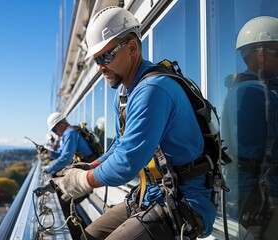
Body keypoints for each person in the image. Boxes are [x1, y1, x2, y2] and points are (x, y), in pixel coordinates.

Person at [51, 6, 215, 240]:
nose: (100, 67)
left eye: (106, 56)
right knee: (87, 235)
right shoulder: (126, 94)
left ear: (132, 48)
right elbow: (120, 145)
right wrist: (92, 166)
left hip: (184, 204)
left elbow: (126, 162)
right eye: (97, 58)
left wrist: (83, 181)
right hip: (151, 196)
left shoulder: (153, 90)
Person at [221, 16, 278, 239]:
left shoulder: (252, 91)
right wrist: (249, 206)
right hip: (264, 208)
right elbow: (246, 160)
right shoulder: (253, 94)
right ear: (261, 54)